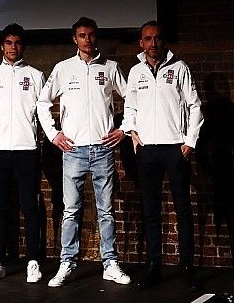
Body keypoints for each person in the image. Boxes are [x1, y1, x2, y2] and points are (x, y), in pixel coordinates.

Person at [36, 16, 131, 287]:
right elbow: (43, 103)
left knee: (106, 210)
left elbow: (132, 99)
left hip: (103, 149)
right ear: (74, 39)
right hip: (73, 150)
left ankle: (110, 263)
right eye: (81, 35)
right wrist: (54, 134)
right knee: (70, 211)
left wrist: (123, 129)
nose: (87, 39)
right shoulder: (63, 69)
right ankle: (67, 263)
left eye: (91, 35)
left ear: (96, 37)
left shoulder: (111, 67)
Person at [122, 21, 204, 290]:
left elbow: (194, 105)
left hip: (175, 148)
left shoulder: (180, 68)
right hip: (147, 150)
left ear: (163, 41)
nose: (153, 43)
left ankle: (188, 267)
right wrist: (132, 132)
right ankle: (154, 266)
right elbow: (130, 107)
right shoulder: (135, 72)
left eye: (157, 38)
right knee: (151, 212)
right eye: (147, 39)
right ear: (141, 43)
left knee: (182, 210)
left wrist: (189, 142)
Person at [0, 23, 46, 283]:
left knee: (30, 206)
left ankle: (32, 261)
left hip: (27, 150)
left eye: (17, 43)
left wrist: (25, 136)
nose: (13, 47)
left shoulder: (36, 75)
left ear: (23, 45)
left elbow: (41, 113)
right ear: (1, 46)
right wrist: (1, 134)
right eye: (8, 42)